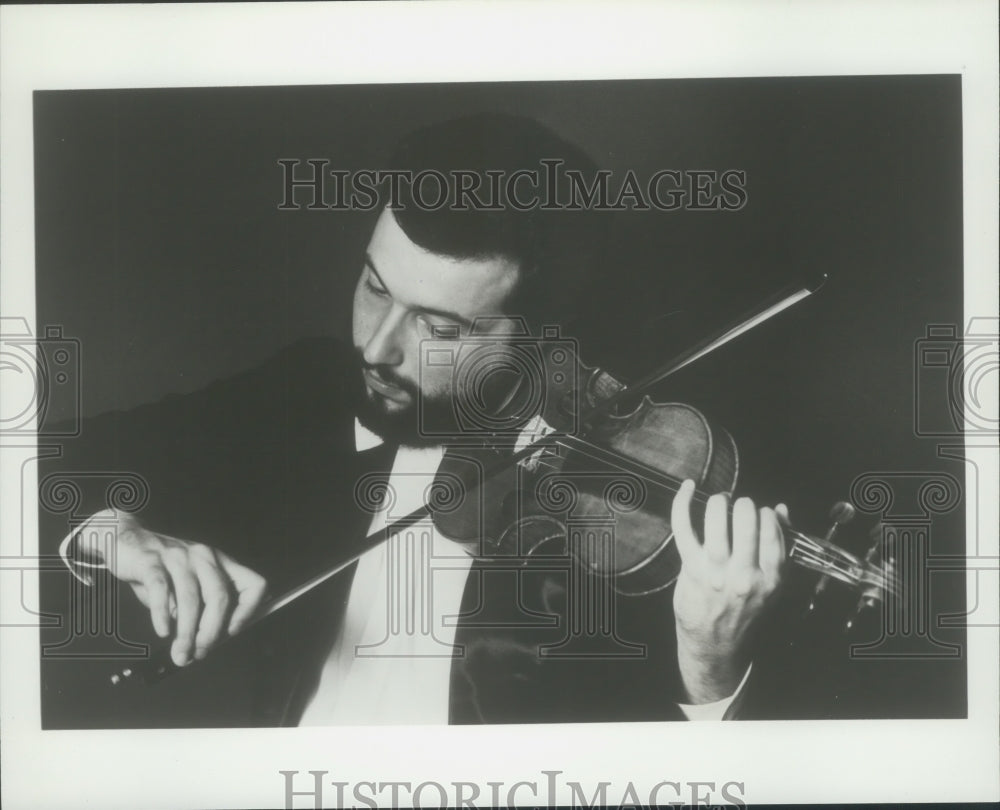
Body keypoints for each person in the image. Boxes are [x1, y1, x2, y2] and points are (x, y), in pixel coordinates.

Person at [44, 113, 792, 726]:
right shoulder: (309, 386)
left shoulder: (628, 500)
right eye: (374, 286)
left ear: (534, 333)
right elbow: (51, 465)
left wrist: (709, 668)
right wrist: (116, 535)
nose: (374, 347)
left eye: (438, 329)